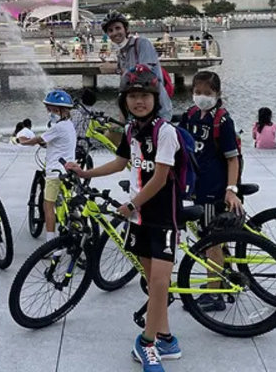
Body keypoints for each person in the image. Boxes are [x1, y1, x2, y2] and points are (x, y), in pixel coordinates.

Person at [66, 64, 182, 371]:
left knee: (159, 283)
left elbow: (159, 179)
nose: (138, 101)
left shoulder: (165, 132)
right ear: (124, 100)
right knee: (152, 282)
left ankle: (145, 344)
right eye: (132, 96)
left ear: (155, 98)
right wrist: (86, 172)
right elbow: (120, 162)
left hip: (163, 217)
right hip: (139, 220)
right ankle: (167, 337)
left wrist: (131, 205)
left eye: (144, 95)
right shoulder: (132, 130)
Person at [178, 71, 242, 313]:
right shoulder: (190, 115)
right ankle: (221, 278)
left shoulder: (223, 121)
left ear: (217, 94)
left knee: (210, 242)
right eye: (197, 92)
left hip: (213, 190)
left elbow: (232, 159)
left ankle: (214, 294)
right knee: (210, 238)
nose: (201, 97)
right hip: (196, 187)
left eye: (207, 93)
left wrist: (231, 190)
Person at [16, 90, 77, 244]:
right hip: (69, 169)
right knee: (68, 202)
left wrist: (23, 141)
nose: (51, 113)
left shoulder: (58, 127)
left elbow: (39, 138)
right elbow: (55, 142)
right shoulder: (68, 125)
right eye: (50, 109)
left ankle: (50, 242)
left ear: (65, 111)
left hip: (55, 171)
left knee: (47, 205)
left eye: (54, 110)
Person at [100, 12, 172, 122]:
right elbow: (125, 85)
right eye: (110, 30)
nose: (115, 33)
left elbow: (143, 75)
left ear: (126, 28)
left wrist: (116, 69)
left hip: (156, 110)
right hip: (135, 113)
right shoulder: (121, 53)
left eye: (118, 28)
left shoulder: (142, 44)